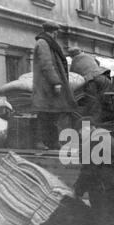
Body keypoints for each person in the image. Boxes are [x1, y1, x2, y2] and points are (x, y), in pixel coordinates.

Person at [33, 21, 77, 150]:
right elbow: (46, 64)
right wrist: (56, 82)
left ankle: (52, 141)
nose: (56, 34)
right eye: (55, 31)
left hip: (48, 86)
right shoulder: (43, 43)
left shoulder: (48, 43)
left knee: (52, 114)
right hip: (46, 86)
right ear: (53, 32)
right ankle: (40, 142)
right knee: (44, 114)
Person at [68, 47, 113, 123]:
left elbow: (74, 76)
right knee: (107, 100)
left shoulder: (75, 61)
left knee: (93, 102)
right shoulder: (88, 56)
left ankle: (93, 123)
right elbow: (97, 63)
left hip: (92, 80)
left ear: (71, 55)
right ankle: (107, 120)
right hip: (104, 77)